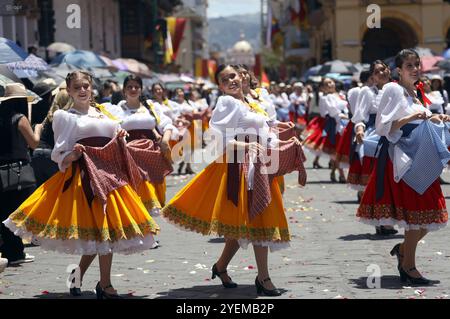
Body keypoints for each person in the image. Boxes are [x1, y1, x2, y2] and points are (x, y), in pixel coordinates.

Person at [3, 71, 160, 298]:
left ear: (91, 87)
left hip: (110, 175)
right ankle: (103, 285)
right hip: (84, 177)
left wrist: (121, 135)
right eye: (77, 87)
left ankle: (91, 280)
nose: (83, 90)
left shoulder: (103, 112)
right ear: (69, 90)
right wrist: (72, 156)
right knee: (101, 235)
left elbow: (115, 134)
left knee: (106, 234)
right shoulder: (65, 117)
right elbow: (59, 153)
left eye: (86, 85)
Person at [161, 65, 307, 296]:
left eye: (233, 76)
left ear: (242, 77)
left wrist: (284, 135)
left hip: (260, 164)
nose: (231, 80)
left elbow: (265, 133)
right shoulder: (227, 103)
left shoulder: (250, 102)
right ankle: (264, 277)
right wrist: (247, 145)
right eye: (224, 79)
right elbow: (218, 140)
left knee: (247, 225)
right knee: (257, 220)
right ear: (219, 85)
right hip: (240, 166)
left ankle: (221, 267)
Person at [357, 49, 450, 285]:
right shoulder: (393, 89)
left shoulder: (414, 92)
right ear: (398, 69)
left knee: (431, 214)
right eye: (409, 65)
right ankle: (408, 266)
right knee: (416, 215)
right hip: (403, 159)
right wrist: (411, 119)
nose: (415, 68)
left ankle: (403, 250)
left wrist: (435, 118)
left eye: (416, 64)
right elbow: (382, 127)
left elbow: (419, 117)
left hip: (421, 156)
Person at [103, 74, 175, 215]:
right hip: (130, 153)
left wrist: (165, 140)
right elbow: (109, 128)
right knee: (140, 186)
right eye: (129, 87)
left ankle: (147, 225)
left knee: (153, 186)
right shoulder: (117, 110)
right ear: (124, 91)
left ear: (141, 90)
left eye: (136, 86)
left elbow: (167, 124)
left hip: (152, 153)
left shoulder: (151, 107)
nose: (133, 89)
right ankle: (143, 224)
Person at [0, 83, 41, 266]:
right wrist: (38, 129)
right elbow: (33, 143)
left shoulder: (2, 117)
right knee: (20, 212)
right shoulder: (20, 118)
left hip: (1, 171)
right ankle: (16, 252)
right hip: (18, 172)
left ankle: (11, 251)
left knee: (5, 212)